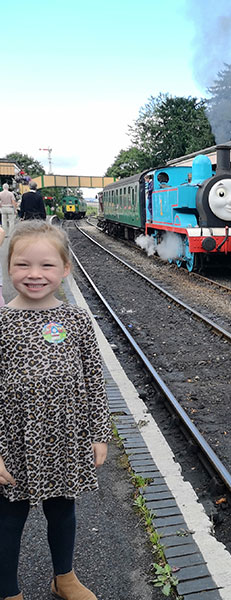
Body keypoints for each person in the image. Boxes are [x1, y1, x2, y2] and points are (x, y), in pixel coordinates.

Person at [0, 221, 111, 600]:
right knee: (8, 519)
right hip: (11, 439)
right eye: (22, 265)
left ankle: (64, 578)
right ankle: (8, 590)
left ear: (65, 269)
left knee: (62, 511)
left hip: (65, 438)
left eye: (46, 265)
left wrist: (98, 433)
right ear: (8, 267)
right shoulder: (1, 324)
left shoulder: (76, 320)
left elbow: (94, 379)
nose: (34, 275)